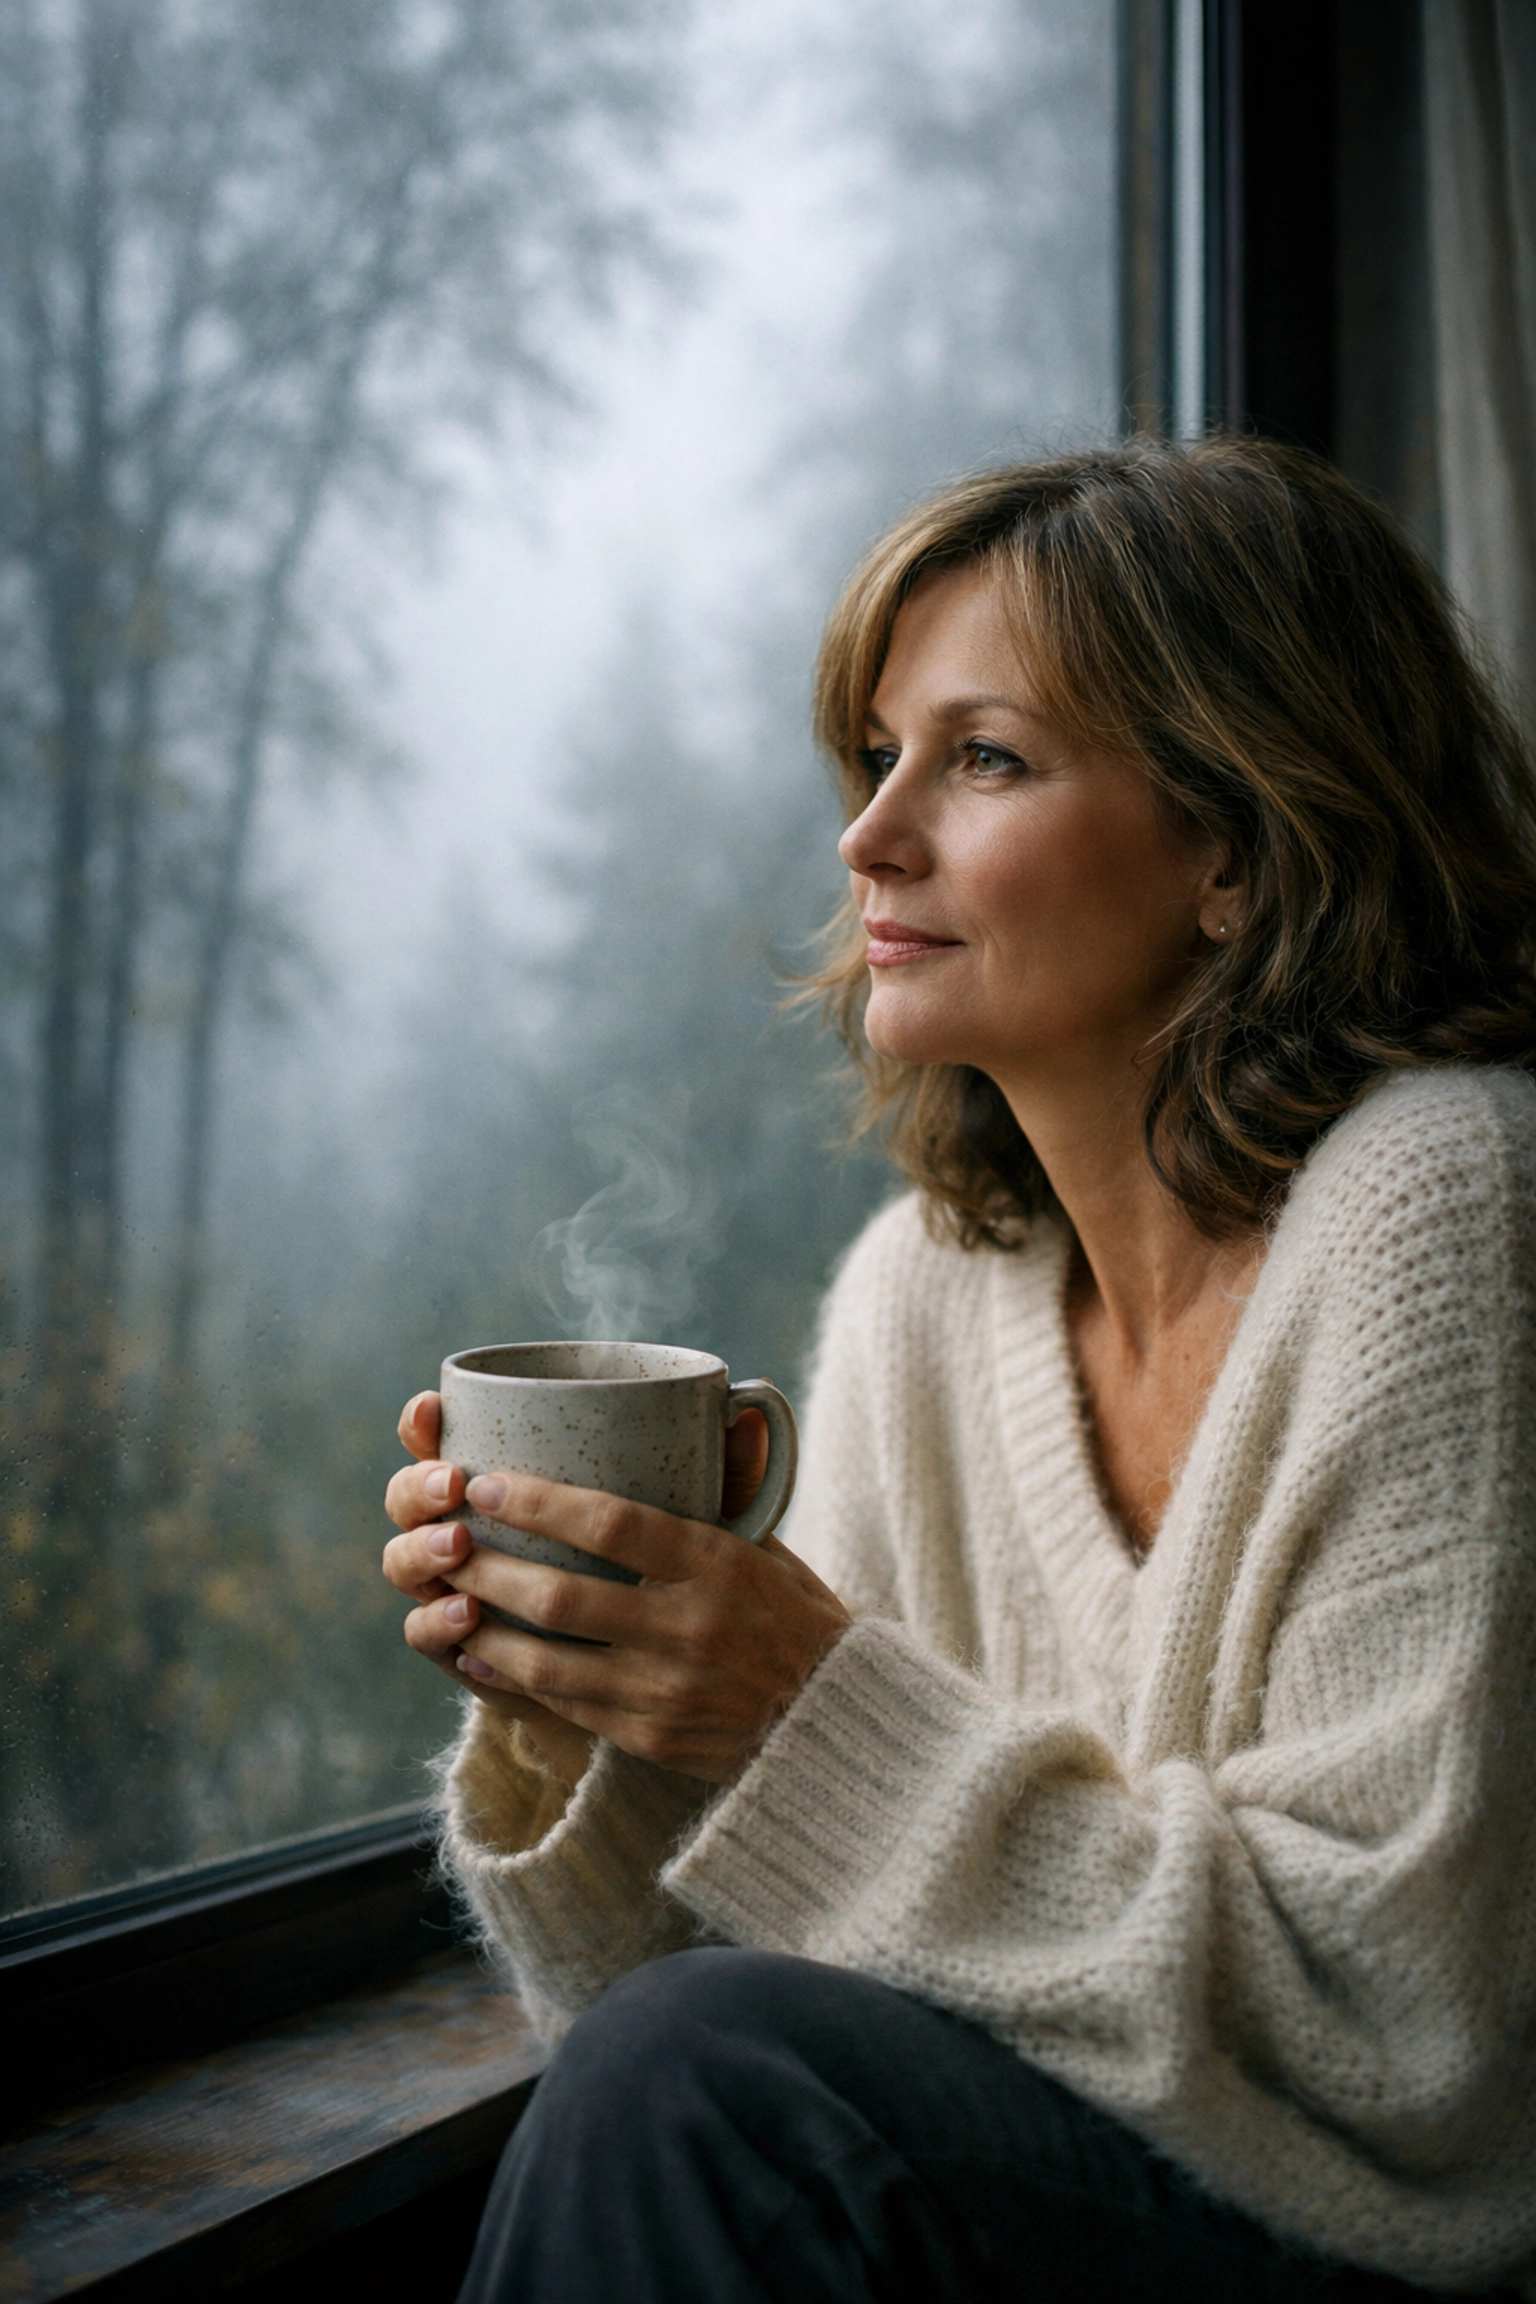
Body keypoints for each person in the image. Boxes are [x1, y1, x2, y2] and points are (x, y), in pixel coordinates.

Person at [382, 439, 1536, 2303]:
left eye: (981, 757)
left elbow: (1407, 2042)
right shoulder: (922, 1292)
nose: (869, 836)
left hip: (1407, 2250)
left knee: (711, 2093)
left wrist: (791, 1708)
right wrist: (586, 1704)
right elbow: (667, 1996)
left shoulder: (1451, 1202)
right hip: (1072, 2209)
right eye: (877, 757)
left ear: (1237, 839)